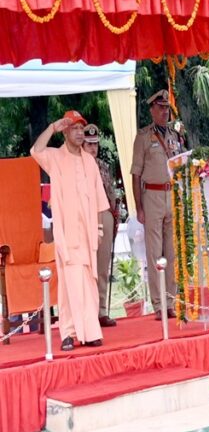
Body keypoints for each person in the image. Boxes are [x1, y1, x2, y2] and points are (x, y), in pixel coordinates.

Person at [31, 111, 108, 351]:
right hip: (67, 233)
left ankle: (89, 330)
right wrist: (52, 126)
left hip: (87, 234)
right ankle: (69, 332)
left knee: (88, 281)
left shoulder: (89, 161)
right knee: (71, 282)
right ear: (65, 131)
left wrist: (98, 228)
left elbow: (97, 199)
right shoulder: (55, 157)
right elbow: (35, 150)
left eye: (80, 128)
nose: (78, 132)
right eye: (73, 128)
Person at [130, 89, 184, 318]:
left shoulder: (176, 135)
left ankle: (171, 302)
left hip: (172, 194)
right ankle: (159, 304)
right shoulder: (143, 137)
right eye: (160, 108)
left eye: (167, 108)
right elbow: (135, 173)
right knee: (154, 253)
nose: (164, 112)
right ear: (152, 110)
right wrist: (139, 207)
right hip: (151, 196)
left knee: (172, 252)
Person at [83, 124, 118, 328]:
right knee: (87, 267)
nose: (93, 148)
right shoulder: (76, 167)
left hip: (103, 214)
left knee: (102, 266)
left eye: (95, 144)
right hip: (84, 216)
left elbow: (111, 193)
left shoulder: (103, 166)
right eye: (89, 144)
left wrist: (113, 216)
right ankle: (87, 312)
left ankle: (101, 310)